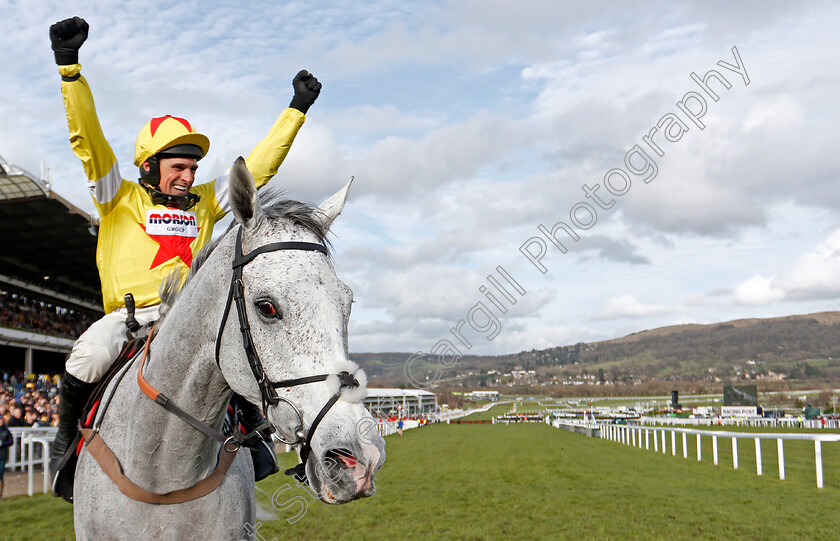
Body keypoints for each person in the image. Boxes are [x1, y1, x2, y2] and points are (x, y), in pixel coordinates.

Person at [48, 16, 321, 500]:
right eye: (179, 166)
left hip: (189, 317)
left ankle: (255, 443)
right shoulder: (118, 196)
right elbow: (88, 140)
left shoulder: (207, 203)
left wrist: (295, 111)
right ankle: (65, 446)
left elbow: (255, 167)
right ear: (150, 167)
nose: (188, 175)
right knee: (87, 357)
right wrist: (70, 69)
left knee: (238, 351)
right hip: (131, 320)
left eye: (193, 167)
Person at [0, 415, 13, 500]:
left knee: (0, 474)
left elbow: (11, 441)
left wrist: (3, 444)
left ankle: (0, 494)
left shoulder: (6, 431)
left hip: (2, 455)